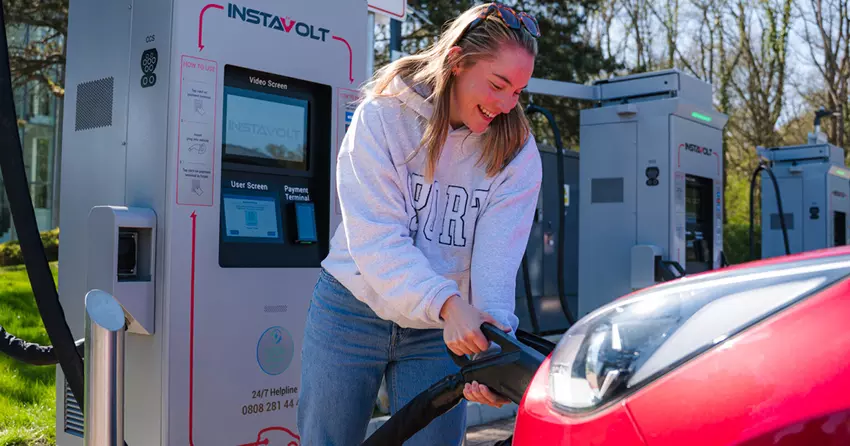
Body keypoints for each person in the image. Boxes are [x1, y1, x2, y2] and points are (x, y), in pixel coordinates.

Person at [297, 3, 542, 444]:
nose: (507, 105)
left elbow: (496, 263)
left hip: (439, 331)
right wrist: (449, 304)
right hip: (353, 307)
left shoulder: (516, 152)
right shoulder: (383, 116)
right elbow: (377, 240)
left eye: (518, 92)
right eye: (497, 85)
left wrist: (491, 350)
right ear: (457, 61)